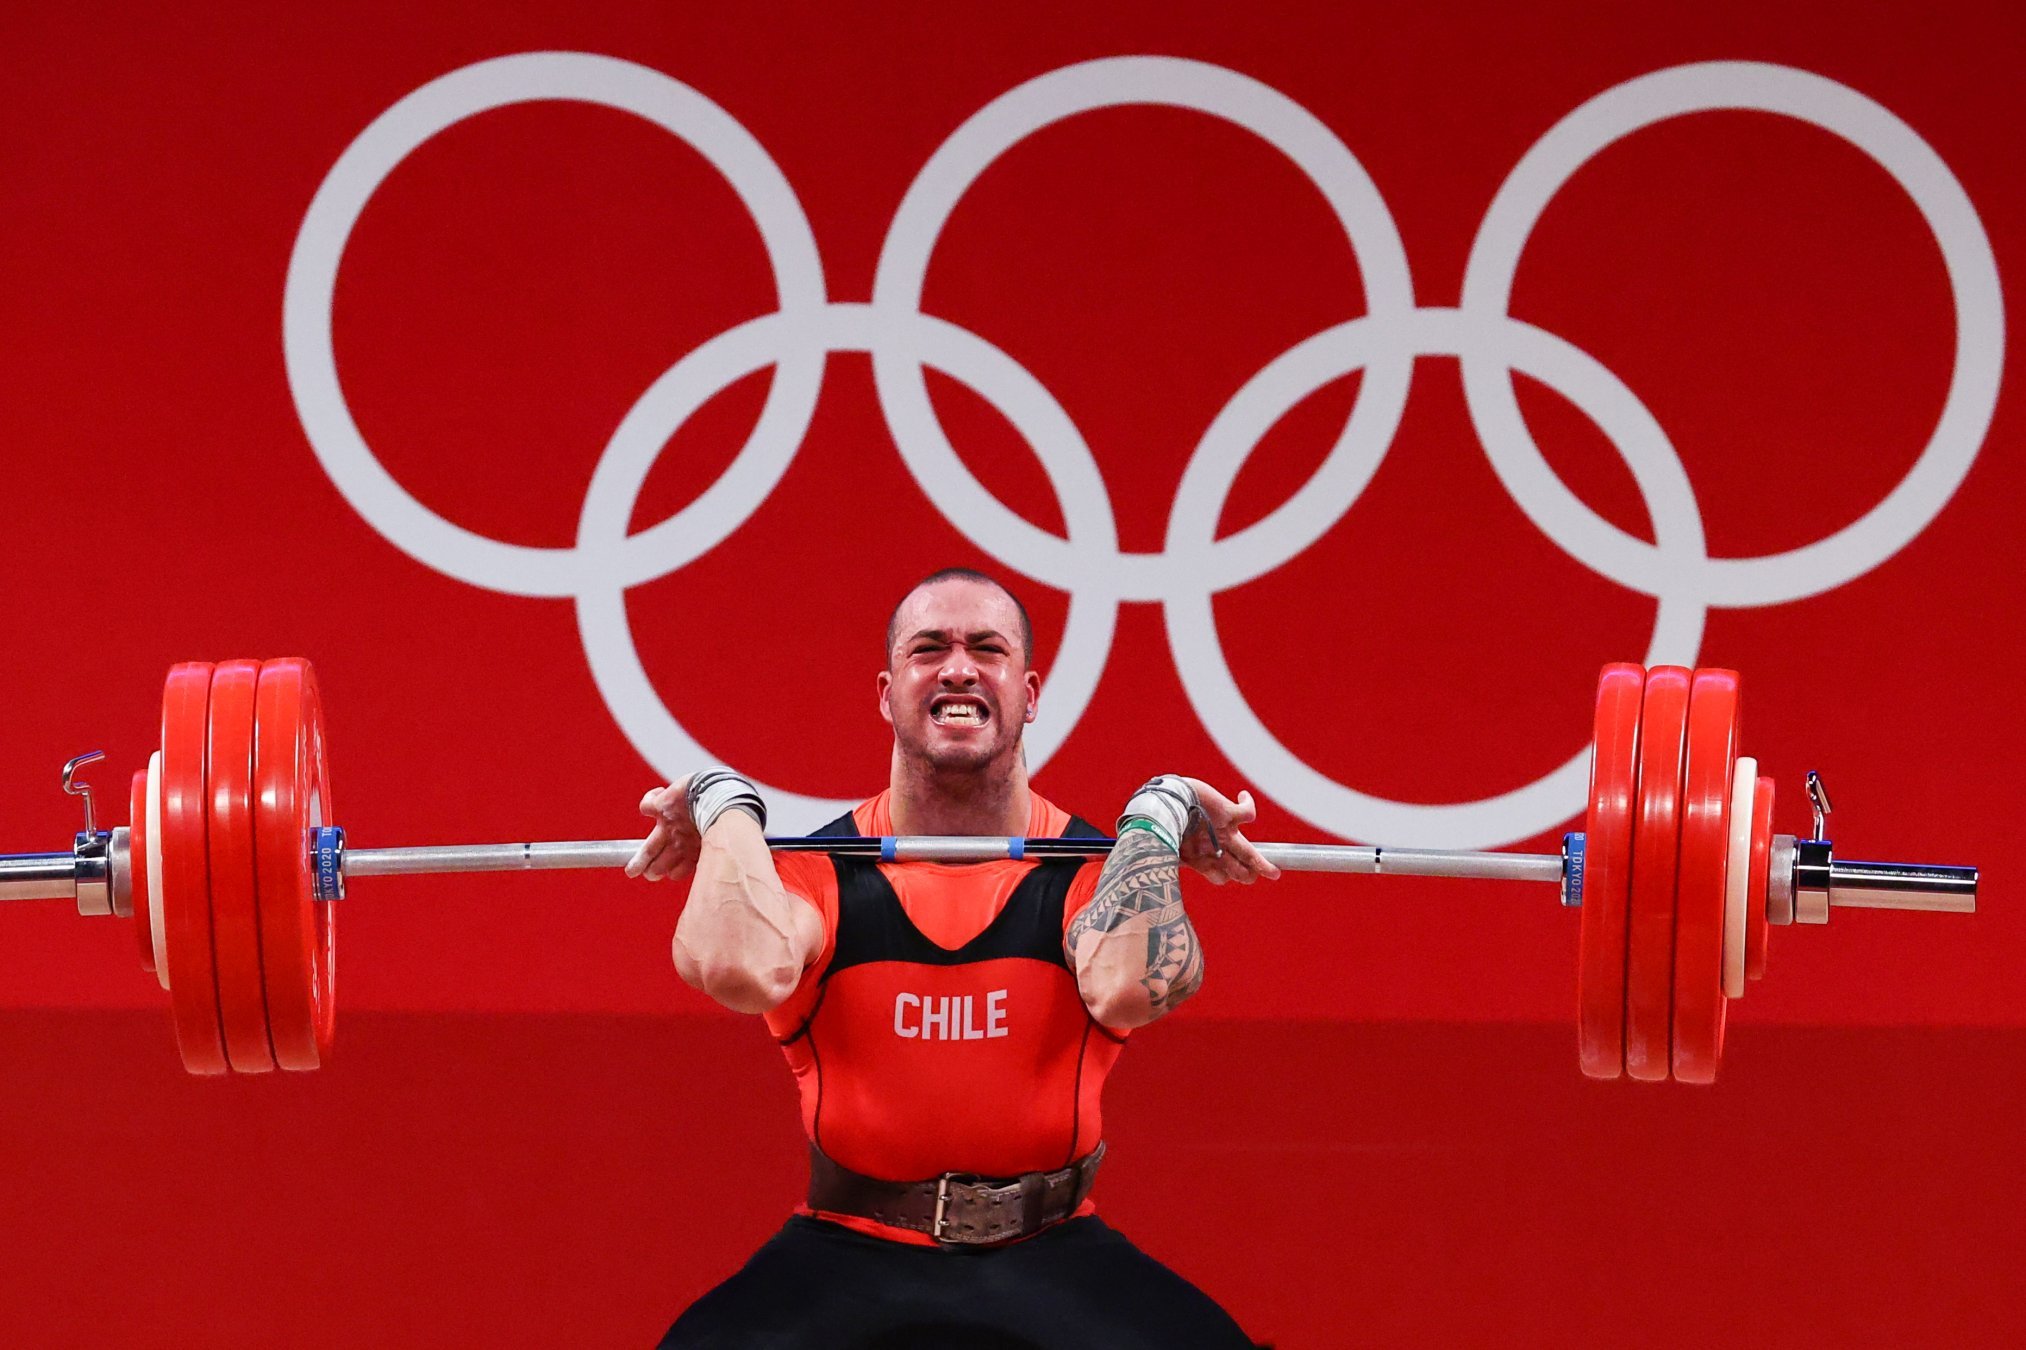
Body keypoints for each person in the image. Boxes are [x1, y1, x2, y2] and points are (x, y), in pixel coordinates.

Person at [628, 567, 1281, 1349]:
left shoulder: (1087, 873)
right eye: (929, 648)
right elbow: (736, 968)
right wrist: (727, 803)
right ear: (887, 692)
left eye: (987, 649)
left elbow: (1135, 987)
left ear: (1030, 693)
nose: (959, 667)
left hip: (1053, 1250)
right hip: (847, 1245)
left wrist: (1156, 811)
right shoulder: (821, 870)